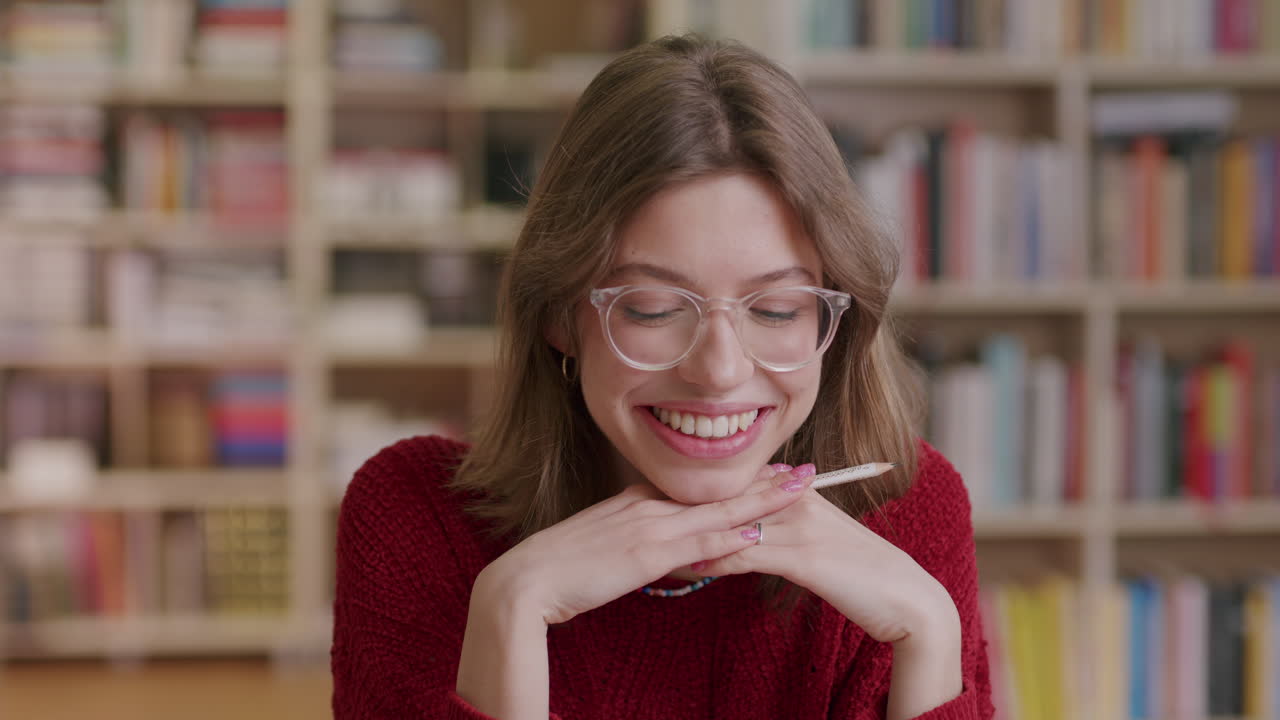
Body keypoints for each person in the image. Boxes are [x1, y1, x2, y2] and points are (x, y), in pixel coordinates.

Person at [331, 34, 994, 720]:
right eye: (652, 309)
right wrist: (512, 609)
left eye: (775, 309)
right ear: (560, 315)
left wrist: (931, 635)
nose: (719, 370)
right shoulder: (414, 520)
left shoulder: (912, 516)